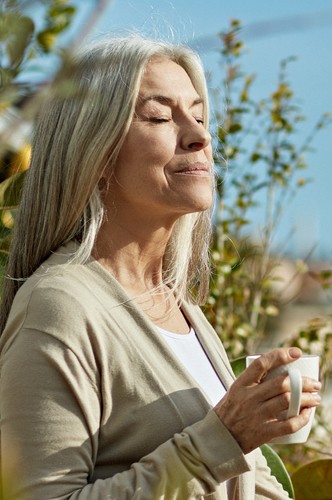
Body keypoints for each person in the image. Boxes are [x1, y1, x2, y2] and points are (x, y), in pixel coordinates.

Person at [0, 35, 321, 500]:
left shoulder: (176, 305)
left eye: (199, 115)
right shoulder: (61, 306)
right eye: (159, 116)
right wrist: (222, 439)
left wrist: (244, 434)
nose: (199, 135)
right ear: (96, 152)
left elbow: (243, 480)